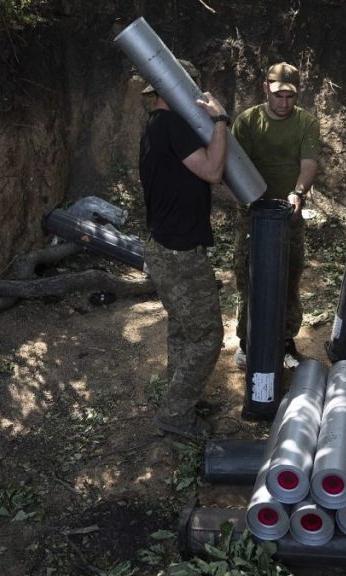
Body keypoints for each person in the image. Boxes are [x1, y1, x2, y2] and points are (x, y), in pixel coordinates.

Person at [138, 60, 230, 440]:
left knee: (182, 328)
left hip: (163, 247)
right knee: (207, 336)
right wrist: (220, 121)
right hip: (179, 252)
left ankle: (183, 396)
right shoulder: (173, 125)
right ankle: (176, 414)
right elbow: (212, 171)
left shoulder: (155, 125)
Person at [231, 62, 321, 370]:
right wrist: (248, 198)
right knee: (249, 278)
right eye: (278, 95)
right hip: (252, 215)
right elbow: (234, 164)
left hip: (288, 215)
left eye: (290, 97)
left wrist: (298, 192)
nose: (283, 103)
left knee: (289, 276)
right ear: (265, 89)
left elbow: (308, 163)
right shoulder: (248, 121)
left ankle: (285, 341)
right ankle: (247, 340)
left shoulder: (306, 122)